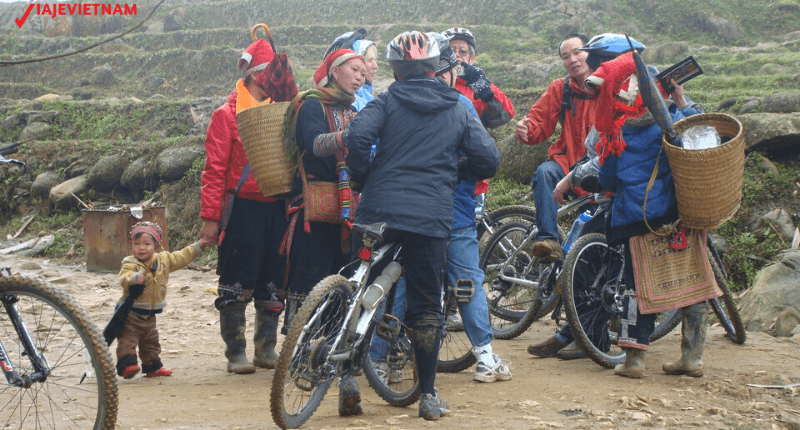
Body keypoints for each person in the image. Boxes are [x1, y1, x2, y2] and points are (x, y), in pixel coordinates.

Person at [345, 31, 500, 420]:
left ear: (397, 70)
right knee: (427, 306)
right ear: (434, 67)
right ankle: (428, 396)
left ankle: (346, 375)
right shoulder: (458, 107)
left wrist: (362, 177)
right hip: (429, 217)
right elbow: (489, 160)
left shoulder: (386, 101)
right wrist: (455, 171)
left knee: (360, 285)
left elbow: (358, 137)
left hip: (377, 210)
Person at [569, 33, 702, 378]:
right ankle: (692, 357)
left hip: (636, 219)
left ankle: (634, 361)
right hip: (676, 215)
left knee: (636, 287)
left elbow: (608, 179)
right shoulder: (670, 119)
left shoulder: (618, 132)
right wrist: (681, 99)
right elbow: (698, 137)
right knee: (692, 282)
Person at [282, 48, 366, 417]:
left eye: (363, 71)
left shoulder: (354, 110)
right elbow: (314, 144)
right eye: (353, 69)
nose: (360, 76)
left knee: (344, 286)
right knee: (308, 284)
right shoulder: (311, 105)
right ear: (334, 70)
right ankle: (299, 356)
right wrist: (351, 135)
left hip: (348, 213)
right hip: (314, 212)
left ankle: (336, 363)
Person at [199, 37, 289, 375]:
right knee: (236, 279)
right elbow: (214, 171)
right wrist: (211, 217)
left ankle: (266, 348)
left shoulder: (282, 111)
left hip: (277, 207)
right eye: (270, 73)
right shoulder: (226, 116)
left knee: (273, 278)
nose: (275, 79)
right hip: (243, 210)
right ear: (254, 75)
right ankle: (235, 352)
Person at [519, 33, 599, 361]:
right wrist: (527, 130)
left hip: (597, 172)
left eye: (577, 52)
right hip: (567, 164)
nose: (572, 59)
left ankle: (581, 328)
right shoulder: (561, 89)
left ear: (589, 53)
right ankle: (549, 241)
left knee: (589, 254)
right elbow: (539, 123)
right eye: (565, 56)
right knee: (544, 172)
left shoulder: (604, 85)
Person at [116, 222, 208, 379]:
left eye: (147, 244)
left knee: (151, 341)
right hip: (130, 313)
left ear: (157, 246)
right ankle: (127, 365)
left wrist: (198, 246)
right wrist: (133, 278)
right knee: (128, 340)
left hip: (149, 314)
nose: (141, 248)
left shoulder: (164, 260)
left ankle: (152, 367)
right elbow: (123, 277)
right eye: (137, 244)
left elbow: (182, 256)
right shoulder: (130, 263)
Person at [443, 27, 515, 129]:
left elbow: (506, 115)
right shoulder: (433, 81)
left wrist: (487, 92)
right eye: (451, 51)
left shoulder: (478, 85)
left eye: (462, 51)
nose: (456, 55)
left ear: (471, 58)